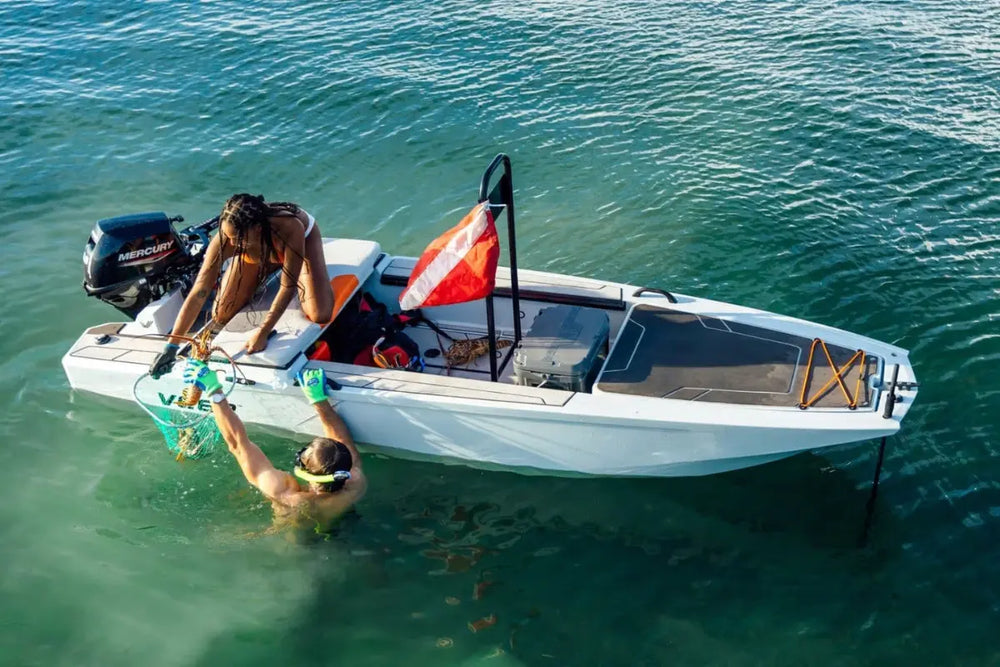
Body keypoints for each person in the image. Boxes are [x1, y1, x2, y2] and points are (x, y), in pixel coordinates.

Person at [149, 194, 334, 377]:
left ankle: (309, 272)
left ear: (257, 228)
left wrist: (263, 332)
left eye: (237, 238)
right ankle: (267, 265)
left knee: (320, 313)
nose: (231, 244)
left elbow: (287, 286)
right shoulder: (228, 238)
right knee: (221, 314)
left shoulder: (290, 226)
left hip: (298, 244)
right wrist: (172, 346)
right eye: (228, 237)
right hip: (255, 251)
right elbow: (200, 291)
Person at [184, 361, 367, 529]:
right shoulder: (355, 482)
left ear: (306, 470)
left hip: (297, 545)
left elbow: (239, 446)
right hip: (341, 522)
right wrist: (318, 399)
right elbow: (344, 443)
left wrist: (214, 392)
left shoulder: (289, 497)